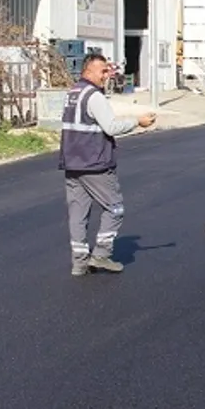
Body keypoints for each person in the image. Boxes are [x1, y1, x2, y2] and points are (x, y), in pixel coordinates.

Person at [59, 53, 156, 277]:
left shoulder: (72, 93)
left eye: (107, 71)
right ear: (88, 71)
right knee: (115, 208)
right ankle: (101, 255)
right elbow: (110, 127)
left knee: (78, 213)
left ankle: (79, 263)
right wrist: (137, 122)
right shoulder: (94, 96)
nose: (106, 75)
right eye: (102, 71)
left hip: (72, 163)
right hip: (95, 164)